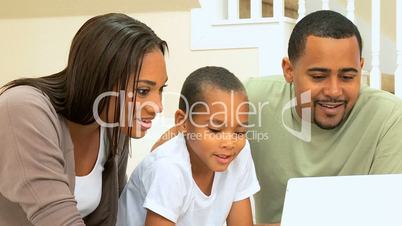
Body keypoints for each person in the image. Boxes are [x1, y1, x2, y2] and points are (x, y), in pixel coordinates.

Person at [0, 13, 168, 226]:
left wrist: (158, 163)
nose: (158, 106)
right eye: (143, 90)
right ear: (100, 79)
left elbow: (113, 218)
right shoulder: (23, 109)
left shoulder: (114, 128)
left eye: (161, 89)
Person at [245, 10, 402, 225]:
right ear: (289, 70)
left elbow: (386, 218)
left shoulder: (390, 116)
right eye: (319, 77)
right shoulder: (251, 100)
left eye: (348, 76)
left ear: (361, 68)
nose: (334, 91)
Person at [117, 66, 260, 226]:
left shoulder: (239, 152)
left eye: (240, 132)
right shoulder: (169, 168)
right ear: (182, 122)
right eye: (215, 130)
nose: (229, 143)